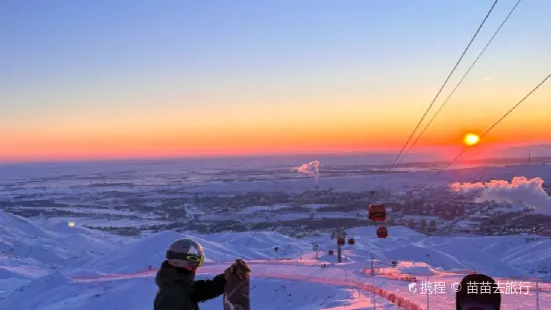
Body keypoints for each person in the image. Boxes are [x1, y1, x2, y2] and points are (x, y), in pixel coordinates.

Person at [154, 238, 251, 310]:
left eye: (198, 261)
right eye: (193, 260)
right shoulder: (173, 292)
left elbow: (205, 289)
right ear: (175, 262)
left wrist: (226, 278)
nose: (196, 265)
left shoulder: (180, 285)